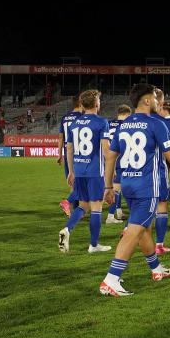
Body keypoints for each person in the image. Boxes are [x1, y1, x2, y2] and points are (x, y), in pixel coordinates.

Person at [99, 83, 170, 297]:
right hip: (146, 187)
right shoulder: (156, 123)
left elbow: (111, 156)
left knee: (143, 228)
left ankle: (156, 268)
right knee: (135, 230)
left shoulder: (123, 125)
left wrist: (108, 186)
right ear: (146, 100)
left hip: (128, 184)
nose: (157, 101)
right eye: (154, 97)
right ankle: (111, 279)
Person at [58, 90, 112, 254]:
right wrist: (112, 168)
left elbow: (69, 149)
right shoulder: (101, 122)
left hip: (79, 171)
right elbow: (106, 150)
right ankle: (93, 245)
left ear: (82, 105)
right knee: (96, 207)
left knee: (83, 205)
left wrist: (71, 171)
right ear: (96, 104)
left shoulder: (74, 124)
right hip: (95, 172)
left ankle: (67, 229)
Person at [152, 92, 170, 254]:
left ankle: (128, 230)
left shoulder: (128, 122)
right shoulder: (160, 123)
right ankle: (159, 245)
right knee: (161, 205)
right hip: (157, 171)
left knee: (141, 208)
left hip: (132, 175)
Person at [105, 104, 133, 224]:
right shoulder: (128, 125)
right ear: (128, 114)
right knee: (118, 189)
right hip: (122, 159)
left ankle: (118, 211)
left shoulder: (109, 123)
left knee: (117, 188)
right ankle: (111, 216)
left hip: (110, 158)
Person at [57, 96, 83, 217]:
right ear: (81, 104)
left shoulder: (65, 118)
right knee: (83, 182)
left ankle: (75, 210)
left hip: (67, 153)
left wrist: (59, 154)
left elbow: (60, 138)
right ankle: (70, 204)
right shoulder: (82, 117)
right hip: (78, 153)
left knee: (73, 182)